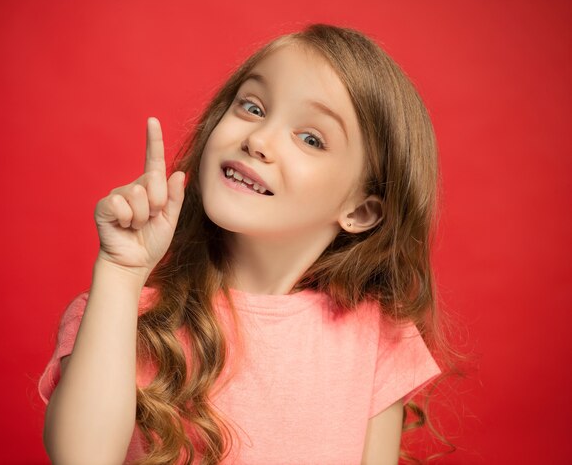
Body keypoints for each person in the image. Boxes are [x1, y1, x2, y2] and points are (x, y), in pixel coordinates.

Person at [39, 23, 447, 465]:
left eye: (310, 138)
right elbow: (81, 458)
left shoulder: (376, 338)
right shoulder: (121, 318)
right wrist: (119, 275)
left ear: (361, 211)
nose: (258, 140)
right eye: (252, 107)